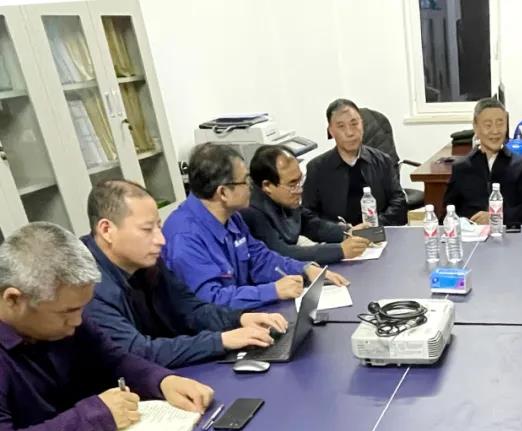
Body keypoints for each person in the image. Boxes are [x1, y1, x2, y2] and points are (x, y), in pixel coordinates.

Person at [0, 222, 214, 431]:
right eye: (67, 312)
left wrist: (163, 381)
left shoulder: (62, 315)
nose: (78, 322)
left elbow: (112, 359)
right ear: (13, 299)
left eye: (82, 309)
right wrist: (94, 415)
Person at [83, 180, 290, 368]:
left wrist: (240, 319)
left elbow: (191, 309)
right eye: (147, 230)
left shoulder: (145, 261)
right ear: (106, 230)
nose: (161, 240)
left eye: (158, 227)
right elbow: (137, 352)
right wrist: (221, 341)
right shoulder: (88, 286)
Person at [163, 143, 349, 310]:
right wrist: (273, 291)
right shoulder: (185, 238)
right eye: (245, 181)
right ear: (223, 193)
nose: (251, 186)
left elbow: (261, 259)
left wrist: (305, 269)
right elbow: (210, 301)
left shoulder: (232, 217)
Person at [241, 145, 371, 265]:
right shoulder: (251, 210)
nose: (300, 190)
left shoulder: (284, 198)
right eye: (292, 185)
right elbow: (281, 253)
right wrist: (340, 250)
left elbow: (310, 224)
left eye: (300, 180)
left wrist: (347, 232)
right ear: (267, 186)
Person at [303, 98, 407, 226]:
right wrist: (336, 230)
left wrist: (375, 225)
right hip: (339, 236)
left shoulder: (382, 161)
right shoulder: (316, 168)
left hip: (378, 232)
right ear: (331, 131)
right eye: (341, 126)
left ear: (362, 124)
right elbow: (307, 215)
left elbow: (399, 203)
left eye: (354, 123)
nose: (350, 132)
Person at [444, 98, 522, 226]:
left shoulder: (520, 165)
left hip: (508, 234)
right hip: (472, 235)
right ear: (476, 127)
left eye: (500, 124)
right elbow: (447, 213)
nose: (495, 131)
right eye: (488, 125)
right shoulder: (461, 167)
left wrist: (496, 217)